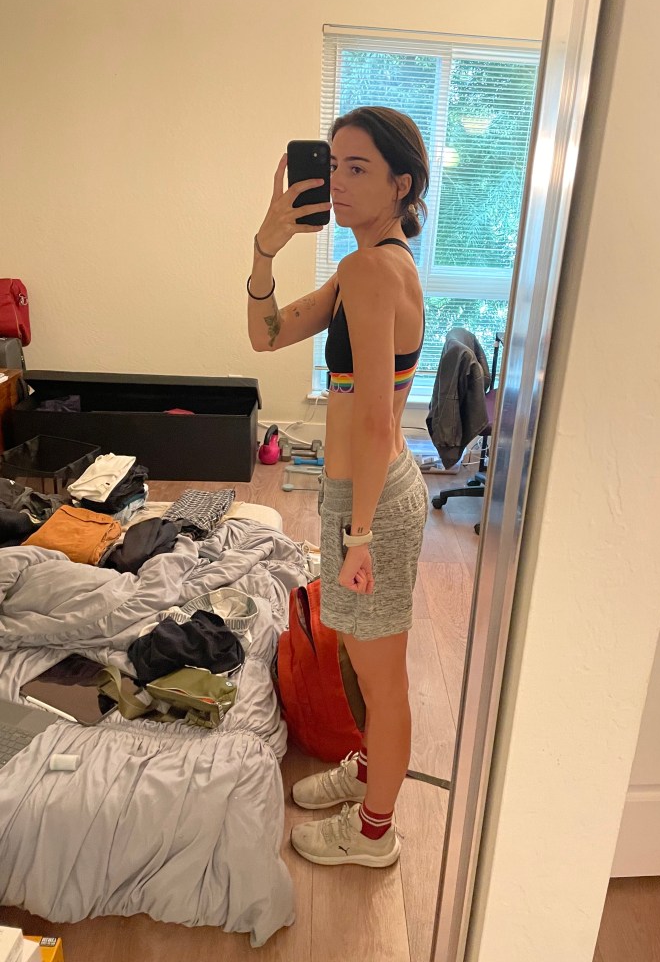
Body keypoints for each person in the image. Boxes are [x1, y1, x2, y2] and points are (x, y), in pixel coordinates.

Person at [247, 106, 430, 867]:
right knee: (358, 650)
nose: (339, 182)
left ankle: (375, 833)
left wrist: (359, 538)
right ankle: (367, 769)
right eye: (333, 166)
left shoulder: (372, 270)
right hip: (362, 497)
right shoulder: (366, 266)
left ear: (401, 185)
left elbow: (380, 425)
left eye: (359, 168)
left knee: (382, 678)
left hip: (373, 503)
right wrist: (266, 248)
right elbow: (265, 335)